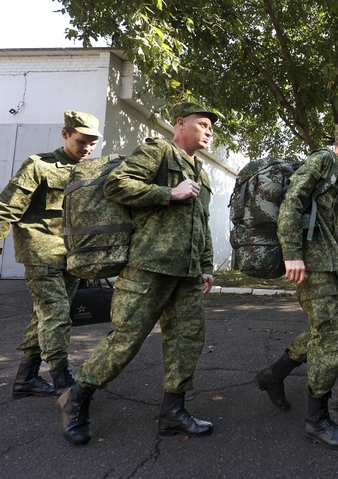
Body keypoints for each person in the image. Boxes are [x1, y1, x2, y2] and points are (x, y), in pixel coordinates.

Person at [57, 102, 217, 446]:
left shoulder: (199, 171)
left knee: (188, 341)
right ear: (180, 124)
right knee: (126, 339)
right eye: (202, 125)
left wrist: (205, 266)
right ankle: (76, 398)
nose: (208, 131)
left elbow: (200, 222)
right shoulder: (158, 151)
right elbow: (117, 185)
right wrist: (167, 193)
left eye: (210, 127)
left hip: (186, 273)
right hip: (148, 265)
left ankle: (173, 411)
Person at [255, 119, 338, 451]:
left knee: (321, 331)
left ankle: (273, 376)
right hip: (311, 264)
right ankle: (316, 421)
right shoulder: (322, 160)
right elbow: (291, 203)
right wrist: (292, 253)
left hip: (326, 261)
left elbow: (324, 224)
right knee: (333, 336)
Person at [0, 111, 101, 398]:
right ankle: (63, 381)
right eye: (82, 141)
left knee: (44, 315)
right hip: (41, 251)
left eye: (93, 143)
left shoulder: (90, 170)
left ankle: (26, 379)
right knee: (56, 314)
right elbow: (6, 208)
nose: (88, 148)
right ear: (65, 134)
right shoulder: (38, 165)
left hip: (73, 254)